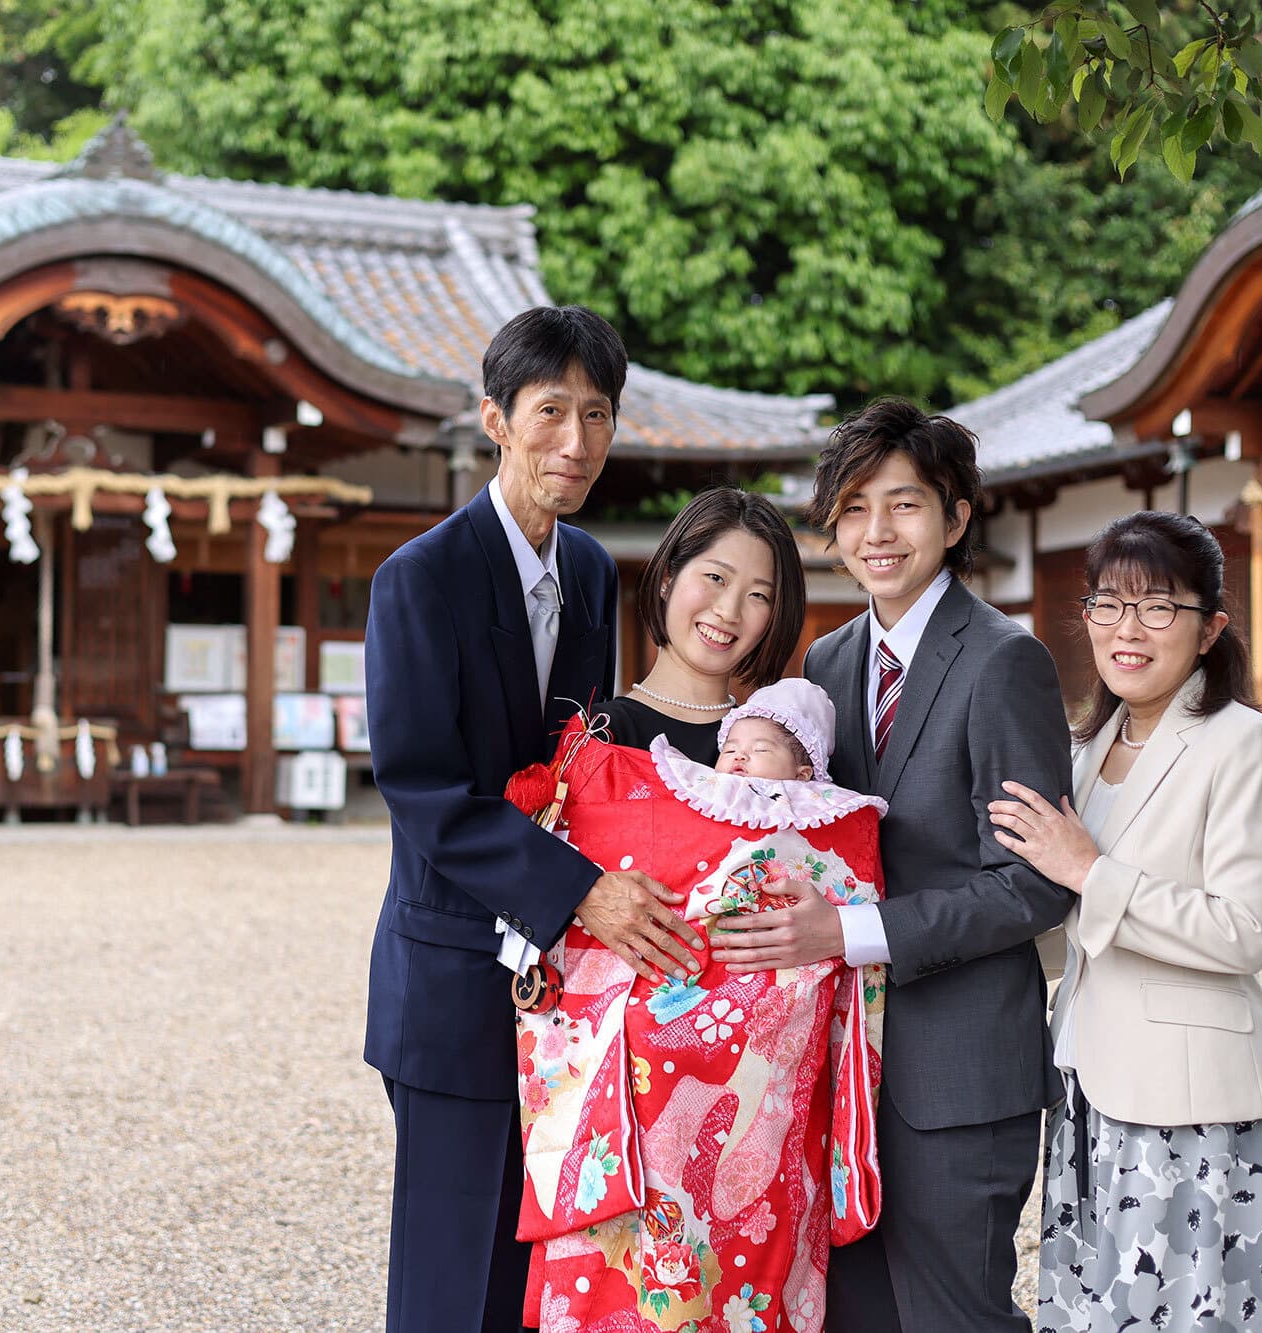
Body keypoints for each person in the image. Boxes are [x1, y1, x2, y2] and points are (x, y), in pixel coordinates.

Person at [363, 305, 704, 1333]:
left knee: (546, 1270)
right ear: (494, 420)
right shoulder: (416, 580)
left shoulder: (595, 571)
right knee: (450, 1275)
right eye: (550, 411)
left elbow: (584, 764)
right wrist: (578, 893)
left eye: (596, 415)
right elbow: (424, 786)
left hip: (568, 988)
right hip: (454, 973)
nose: (575, 442)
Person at [711, 397, 1074, 1332]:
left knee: (956, 1316)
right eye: (857, 507)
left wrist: (852, 931)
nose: (879, 532)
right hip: (836, 1070)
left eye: (905, 505)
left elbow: (1032, 881)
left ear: (955, 518)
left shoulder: (1006, 660)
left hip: (957, 1073)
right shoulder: (825, 664)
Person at [986, 512, 1262, 1332]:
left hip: (1191, 1104)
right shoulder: (1085, 749)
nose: (1127, 630)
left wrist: (1089, 870)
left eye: (1158, 607)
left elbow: (1245, 929)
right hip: (1087, 1088)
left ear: (1211, 630)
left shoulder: (1248, 743)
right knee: (1101, 1307)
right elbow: (1071, 923)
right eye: (1108, 604)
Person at [512, 679, 887, 1332]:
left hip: (767, 1076)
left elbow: (844, 945)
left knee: (758, 1244)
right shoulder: (688, 799)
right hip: (659, 1081)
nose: (737, 759)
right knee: (643, 1229)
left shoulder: (830, 818)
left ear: (806, 771)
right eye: (730, 746)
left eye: (761, 746)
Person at [595, 486, 807, 765]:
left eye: (758, 595)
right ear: (667, 578)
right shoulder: (601, 733)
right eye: (715, 577)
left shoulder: (779, 749)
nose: (729, 612)